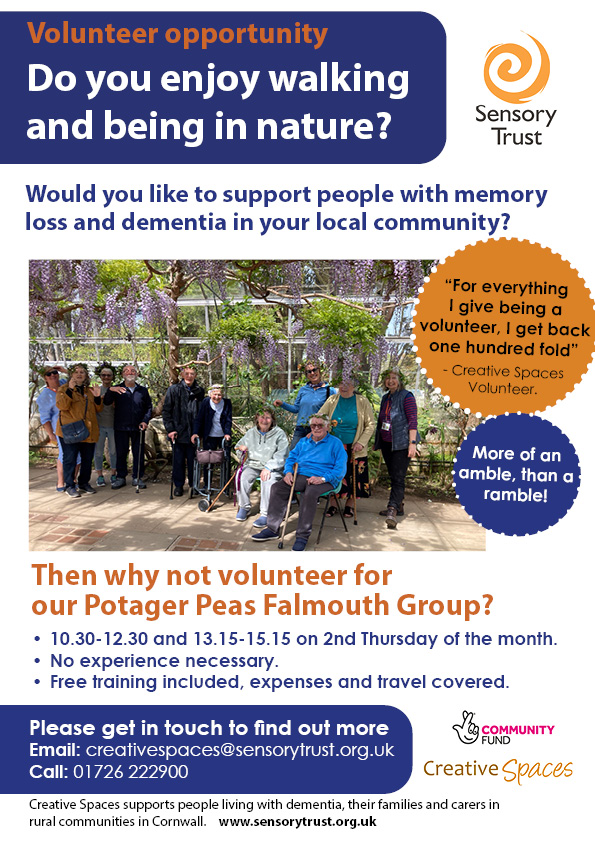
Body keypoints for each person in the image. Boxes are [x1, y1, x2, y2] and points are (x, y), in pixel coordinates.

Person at [252, 413, 347, 551]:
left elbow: (340, 469)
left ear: (327, 427)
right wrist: (288, 472)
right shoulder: (304, 441)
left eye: (320, 425)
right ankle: (272, 529)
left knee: (309, 493)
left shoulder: (335, 443)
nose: (316, 428)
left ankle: (302, 536)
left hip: (326, 478)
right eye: (313, 425)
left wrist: (322, 479)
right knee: (278, 488)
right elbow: (291, 458)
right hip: (301, 475)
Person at [319, 377, 375, 517]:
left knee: (354, 476)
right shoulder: (332, 399)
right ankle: (333, 504)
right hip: (334, 446)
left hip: (354, 446)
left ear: (354, 385)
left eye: (348, 383)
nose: (344, 387)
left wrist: (361, 442)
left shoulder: (362, 401)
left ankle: (350, 505)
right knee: (333, 474)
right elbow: (320, 416)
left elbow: (370, 424)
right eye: (341, 383)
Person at [373, 369, 419, 528]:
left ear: (400, 380)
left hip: (401, 443)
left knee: (398, 477)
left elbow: (413, 420)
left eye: (393, 378)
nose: (390, 381)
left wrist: (412, 444)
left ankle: (392, 509)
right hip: (387, 443)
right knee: (393, 475)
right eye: (387, 378)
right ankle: (398, 505)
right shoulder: (386, 398)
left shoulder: (407, 396)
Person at [55, 364, 103, 499]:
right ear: (71, 375)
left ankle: (84, 483)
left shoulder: (89, 391)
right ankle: (70, 485)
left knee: (87, 459)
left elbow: (98, 409)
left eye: (82, 372)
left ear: (86, 375)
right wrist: (70, 389)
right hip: (71, 430)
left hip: (88, 430)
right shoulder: (63, 389)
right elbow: (62, 405)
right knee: (70, 459)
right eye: (76, 372)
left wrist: (98, 397)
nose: (79, 374)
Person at [235, 407, 289, 526]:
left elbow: (282, 454)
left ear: (272, 419)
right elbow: (238, 447)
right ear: (257, 418)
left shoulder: (279, 434)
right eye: (262, 417)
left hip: (272, 467)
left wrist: (269, 467)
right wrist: (241, 449)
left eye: (268, 417)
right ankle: (244, 507)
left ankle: (265, 513)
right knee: (241, 476)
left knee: (267, 479)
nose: (264, 420)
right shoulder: (251, 433)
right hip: (253, 464)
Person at [102, 364, 152, 489]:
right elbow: (106, 402)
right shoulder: (117, 389)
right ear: (123, 374)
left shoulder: (143, 390)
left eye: (133, 370)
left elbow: (149, 407)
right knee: (121, 453)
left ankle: (137, 477)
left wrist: (145, 421)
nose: (130, 372)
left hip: (138, 428)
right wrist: (110, 390)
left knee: (138, 453)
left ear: (136, 374)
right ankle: (121, 477)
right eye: (127, 370)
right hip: (121, 427)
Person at [162, 365, 205, 496]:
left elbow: (202, 413)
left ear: (195, 376)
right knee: (178, 461)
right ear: (182, 375)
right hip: (178, 432)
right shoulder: (174, 390)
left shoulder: (199, 391)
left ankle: (194, 485)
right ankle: (179, 485)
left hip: (193, 432)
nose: (189, 376)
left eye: (192, 373)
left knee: (194, 461)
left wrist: (199, 431)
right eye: (187, 373)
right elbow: (166, 411)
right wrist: (170, 429)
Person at [274, 361, 336, 449]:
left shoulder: (329, 390)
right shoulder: (303, 390)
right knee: (294, 453)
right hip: (301, 428)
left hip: (318, 428)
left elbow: (332, 412)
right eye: (309, 371)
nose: (312, 373)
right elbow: (296, 409)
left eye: (314, 370)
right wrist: (282, 404)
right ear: (306, 375)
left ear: (320, 371)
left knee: (315, 455)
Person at [35, 365, 74, 492]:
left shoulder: (64, 384)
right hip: (60, 429)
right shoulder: (45, 396)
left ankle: (73, 480)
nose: (53, 375)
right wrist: (51, 435)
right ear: (45, 378)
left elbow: (78, 378)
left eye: (54, 372)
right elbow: (45, 418)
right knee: (64, 455)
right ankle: (61, 481)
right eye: (49, 374)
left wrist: (65, 370)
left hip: (74, 426)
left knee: (77, 455)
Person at [192, 385, 233, 486]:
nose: (217, 397)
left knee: (226, 460)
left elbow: (228, 420)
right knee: (208, 460)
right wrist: (195, 433)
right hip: (209, 436)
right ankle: (207, 483)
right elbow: (199, 419)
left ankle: (225, 484)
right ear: (210, 394)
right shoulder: (206, 402)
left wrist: (227, 433)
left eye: (219, 394)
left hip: (223, 436)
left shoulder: (227, 403)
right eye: (215, 394)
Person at [93, 366, 117, 487]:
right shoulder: (96, 390)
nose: (106, 377)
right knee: (98, 452)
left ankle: (114, 473)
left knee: (113, 451)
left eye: (108, 375)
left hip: (113, 425)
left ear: (112, 377)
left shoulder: (116, 390)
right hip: (99, 426)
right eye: (103, 375)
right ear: (100, 377)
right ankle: (99, 476)